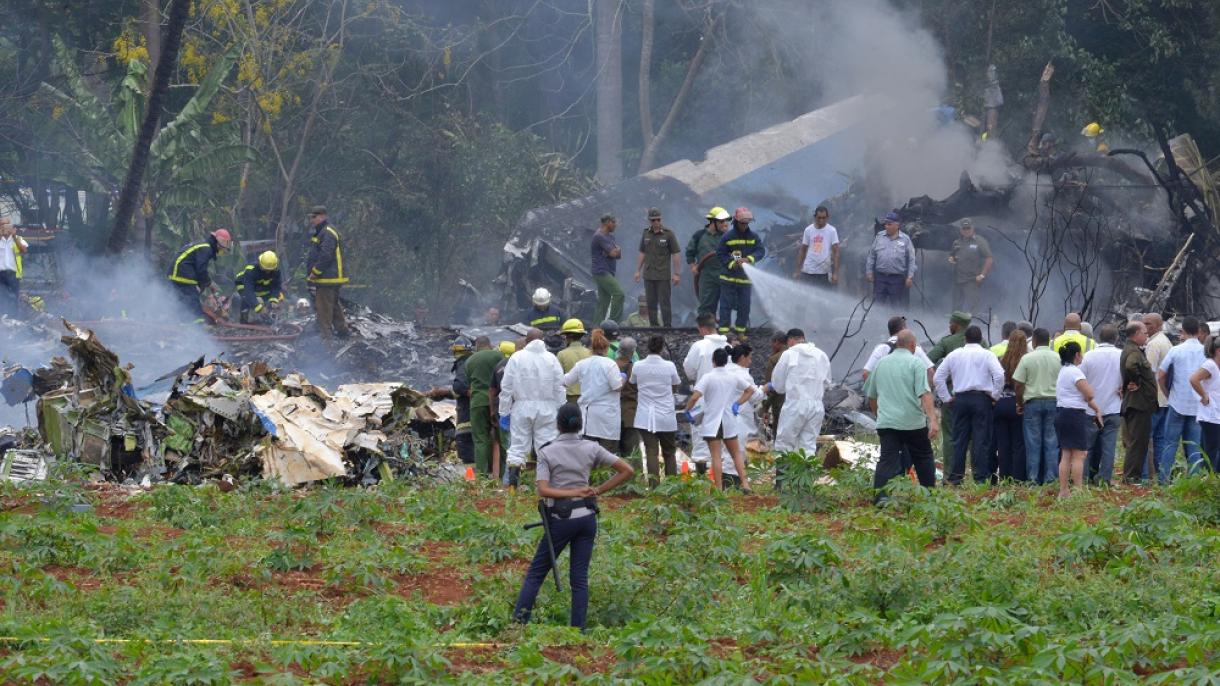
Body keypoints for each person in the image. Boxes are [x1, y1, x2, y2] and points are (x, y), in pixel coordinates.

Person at [511, 403, 635, 631]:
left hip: (561, 519)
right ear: (580, 424)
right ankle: (578, 631)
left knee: (536, 574)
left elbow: (543, 490)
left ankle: (518, 625)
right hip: (586, 518)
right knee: (579, 579)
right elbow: (627, 470)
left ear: (557, 425)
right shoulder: (591, 448)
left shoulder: (547, 451)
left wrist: (571, 492)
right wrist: (597, 490)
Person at [864, 330, 939, 501]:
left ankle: (880, 499)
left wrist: (879, 416)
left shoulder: (881, 363)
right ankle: (930, 495)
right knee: (923, 456)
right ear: (913, 345)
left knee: (887, 460)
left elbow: (872, 396)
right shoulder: (916, 363)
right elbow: (925, 394)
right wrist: (933, 420)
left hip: (887, 422)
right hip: (912, 422)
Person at [934, 325, 1004, 484]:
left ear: (965, 339)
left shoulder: (954, 355)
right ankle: (980, 478)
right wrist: (995, 396)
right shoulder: (987, 355)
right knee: (981, 440)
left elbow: (938, 377)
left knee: (959, 439)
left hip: (960, 399)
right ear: (981, 339)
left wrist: (946, 398)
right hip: (981, 400)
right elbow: (999, 375)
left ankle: (955, 478)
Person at [500, 328, 567, 488]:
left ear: (526, 341)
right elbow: (559, 386)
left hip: (521, 407)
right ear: (542, 340)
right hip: (547, 408)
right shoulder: (551, 358)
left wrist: (504, 411)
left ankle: (512, 487)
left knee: (517, 446)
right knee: (546, 446)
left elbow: (506, 387)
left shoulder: (517, 357)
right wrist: (560, 407)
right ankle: (547, 486)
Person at [684, 347, 756, 492]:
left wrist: (687, 410)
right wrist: (738, 403)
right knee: (736, 453)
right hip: (729, 420)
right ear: (726, 361)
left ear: (713, 361)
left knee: (716, 456)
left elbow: (695, 397)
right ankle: (745, 484)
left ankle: (718, 488)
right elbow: (750, 390)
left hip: (712, 422)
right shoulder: (733, 376)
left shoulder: (708, 377)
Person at [769, 328, 831, 457]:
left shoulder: (788, 354)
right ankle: (804, 477)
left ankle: (784, 476)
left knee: (784, 445)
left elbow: (777, 385)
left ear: (790, 340)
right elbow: (827, 382)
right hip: (816, 406)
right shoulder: (821, 355)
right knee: (808, 446)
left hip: (795, 405)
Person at [1157, 316, 1207, 478]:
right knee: (1194, 445)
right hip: (1197, 404)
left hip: (1177, 402)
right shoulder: (1206, 352)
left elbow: (1161, 375)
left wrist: (1167, 393)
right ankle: (1193, 482)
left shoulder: (1176, 350)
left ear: (1183, 330)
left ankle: (1163, 480)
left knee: (1170, 443)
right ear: (1199, 331)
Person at [562, 329, 624, 453]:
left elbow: (566, 381)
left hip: (588, 414)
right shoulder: (610, 364)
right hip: (607, 415)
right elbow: (617, 387)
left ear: (591, 348)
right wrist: (624, 378)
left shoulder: (582, 364)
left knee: (588, 453)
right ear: (606, 349)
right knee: (606, 454)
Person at [1055, 342, 1104, 497]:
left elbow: (1083, 397)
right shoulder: (1076, 372)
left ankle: (1063, 490)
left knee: (1066, 454)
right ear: (1076, 355)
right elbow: (1089, 394)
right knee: (1079, 455)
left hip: (1062, 413)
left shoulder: (1063, 371)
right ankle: (1078, 490)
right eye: (1081, 353)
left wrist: (1096, 409)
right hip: (1074, 416)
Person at [631, 334, 681, 485]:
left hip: (645, 416)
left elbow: (633, 383)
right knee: (669, 452)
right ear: (662, 348)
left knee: (651, 452)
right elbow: (675, 385)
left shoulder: (638, 365)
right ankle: (672, 487)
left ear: (647, 347)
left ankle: (654, 488)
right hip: (666, 416)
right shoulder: (669, 366)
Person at [682, 313, 728, 474]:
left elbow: (689, 369)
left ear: (702, 329)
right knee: (722, 439)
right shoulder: (728, 346)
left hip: (702, 397)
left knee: (701, 438)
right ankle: (720, 477)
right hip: (725, 399)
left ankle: (702, 476)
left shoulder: (699, 346)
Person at [1014, 328, 1061, 485]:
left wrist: (1020, 403)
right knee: (1052, 442)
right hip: (1054, 403)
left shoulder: (1027, 358)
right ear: (1049, 340)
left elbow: (1018, 384)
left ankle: (1033, 479)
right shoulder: (1058, 358)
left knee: (1033, 443)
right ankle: (1051, 479)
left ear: (1033, 341)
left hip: (1032, 403)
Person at [1079, 324, 1123, 484]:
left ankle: (1082, 479)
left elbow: (1079, 379)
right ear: (1116, 338)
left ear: (1099, 337)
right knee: (1109, 447)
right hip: (1113, 407)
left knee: (1087, 447)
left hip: (1090, 409)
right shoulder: (1122, 355)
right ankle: (1105, 478)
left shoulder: (1089, 356)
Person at [928, 311, 972, 464]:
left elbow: (928, 360)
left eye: (950, 324)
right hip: (976, 396)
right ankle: (977, 475)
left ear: (956, 325)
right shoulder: (982, 342)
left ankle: (951, 474)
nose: (949, 326)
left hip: (952, 395)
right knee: (974, 435)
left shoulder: (947, 342)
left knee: (950, 435)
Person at [428, 335, 477, 466]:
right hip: (478, 410)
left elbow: (459, 386)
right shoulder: (474, 362)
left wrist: (442, 392)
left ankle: (472, 476)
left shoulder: (463, 363)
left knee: (464, 441)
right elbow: (461, 391)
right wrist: (444, 393)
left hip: (468, 412)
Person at [716, 207, 765, 336]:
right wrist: (732, 264)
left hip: (745, 279)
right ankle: (723, 333)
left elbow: (761, 251)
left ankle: (740, 333)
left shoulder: (754, 237)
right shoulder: (728, 236)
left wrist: (749, 259)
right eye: (742, 223)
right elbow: (721, 253)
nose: (744, 226)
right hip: (728, 278)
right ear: (736, 222)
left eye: (747, 223)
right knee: (725, 307)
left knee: (744, 307)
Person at [304, 206, 350, 339]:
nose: (311, 220)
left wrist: (315, 272)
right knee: (334, 305)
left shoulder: (327, 232)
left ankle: (326, 343)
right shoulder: (323, 232)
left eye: (314, 217)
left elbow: (326, 255)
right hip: (330, 278)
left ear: (323, 216)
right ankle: (343, 333)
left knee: (323, 310)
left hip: (327, 278)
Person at [1121, 320, 1158, 484]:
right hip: (1138, 403)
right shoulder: (1134, 352)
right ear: (1136, 334)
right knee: (1138, 442)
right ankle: (1131, 477)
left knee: (1137, 441)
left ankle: (1132, 476)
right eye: (1144, 332)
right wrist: (1137, 381)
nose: (1146, 335)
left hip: (1138, 403)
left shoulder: (1132, 349)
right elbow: (1130, 366)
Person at [463, 336, 506, 477]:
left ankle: (482, 475)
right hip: (498, 402)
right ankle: (505, 475)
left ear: (476, 346)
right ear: (490, 344)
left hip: (478, 402)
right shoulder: (498, 355)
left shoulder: (469, 361)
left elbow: (469, 382)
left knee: (481, 439)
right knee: (503, 439)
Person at [167, 228, 232, 319]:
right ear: (218, 243)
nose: (223, 251)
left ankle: (180, 321)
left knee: (182, 300)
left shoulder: (204, 246)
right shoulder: (206, 249)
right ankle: (197, 325)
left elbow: (198, 269)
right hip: (182, 272)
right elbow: (201, 269)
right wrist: (209, 283)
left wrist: (202, 285)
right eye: (223, 248)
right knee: (192, 299)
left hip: (177, 271)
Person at [634, 208, 680, 326]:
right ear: (649, 220)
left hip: (663, 275)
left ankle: (667, 326)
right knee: (651, 302)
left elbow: (675, 253)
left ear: (661, 219)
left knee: (664, 302)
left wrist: (676, 273)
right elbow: (642, 252)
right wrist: (637, 270)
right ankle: (654, 326)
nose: (656, 222)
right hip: (649, 274)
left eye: (658, 219)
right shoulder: (646, 233)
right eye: (653, 220)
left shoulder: (668, 234)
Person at [994, 329, 1028, 481]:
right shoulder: (1026, 360)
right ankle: (1018, 477)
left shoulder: (1001, 360)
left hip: (1001, 404)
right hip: (1017, 404)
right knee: (1018, 444)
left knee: (1003, 444)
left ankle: (1004, 475)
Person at [1143, 312, 1173, 475]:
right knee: (1160, 439)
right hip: (1164, 398)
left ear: (1159, 325)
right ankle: (1162, 476)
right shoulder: (1166, 341)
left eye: (1149, 324)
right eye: (1144, 324)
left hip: (1154, 398)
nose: (1145, 327)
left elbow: (1149, 371)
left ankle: (1145, 477)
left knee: (1145, 438)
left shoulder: (1154, 344)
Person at [686, 207, 730, 317]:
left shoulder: (728, 237)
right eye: (721, 221)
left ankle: (725, 331)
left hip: (725, 274)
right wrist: (693, 266)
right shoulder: (699, 236)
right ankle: (707, 331)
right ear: (713, 222)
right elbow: (689, 252)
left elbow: (737, 253)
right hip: (706, 276)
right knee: (706, 306)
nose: (725, 224)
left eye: (726, 221)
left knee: (727, 305)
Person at [865, 212, 916, 307]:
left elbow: (911, 260)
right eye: (885, 224)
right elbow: (871, 256)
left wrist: (910, 277)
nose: (886, 226)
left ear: (897, 225)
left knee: (897, 307)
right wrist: (869, 272)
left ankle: (896, 322)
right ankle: (876, 321)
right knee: (877, 305)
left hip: (897, 279)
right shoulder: (879, 236)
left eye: (889, 224)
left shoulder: (905, 239)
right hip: (880, 278)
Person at [863, 315, 934, 382]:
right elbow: (930, 372)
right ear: (903, 329)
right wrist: (924, 392)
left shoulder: (881, 349)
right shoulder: (915, 348)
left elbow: (866, 373)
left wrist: (876, 393)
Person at [489, 340, 520, 481]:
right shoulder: (520, 363)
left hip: (504, 410)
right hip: (521, 408)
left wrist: (492, 410)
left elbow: (493, 391)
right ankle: (517, 477)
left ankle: (506, 478)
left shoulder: (498, 366)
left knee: (506, 444)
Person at [1189, 335, 1220, 473]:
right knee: (1211, 449)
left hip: (1216, 413)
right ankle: (1209, 478)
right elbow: (1194, 379)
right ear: (1218, 350)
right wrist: (1204, 396)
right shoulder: (1210, 365)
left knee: (1211, 447)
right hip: (1210, 414)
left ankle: (1211, 477)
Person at [947, 219, 992, 312]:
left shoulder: (979, 241)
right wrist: (951, 259)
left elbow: (989, 258)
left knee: (973, 307)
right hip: (958, 280)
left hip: (972, 280)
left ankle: (974, 325)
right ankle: (956, 326)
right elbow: (952, 256)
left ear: (973, 228)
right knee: (956, 308)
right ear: (961, 230)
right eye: (964, 228)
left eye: (968, 228)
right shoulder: (957, 242)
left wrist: (982, 275)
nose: (966, 230)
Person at [792, 206, 839, 287]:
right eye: (819, 218)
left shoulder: (832, 231)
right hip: (808, 270)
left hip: (824, 272)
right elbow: (802, 250)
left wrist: (835, 273)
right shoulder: (808, 230)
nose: (821, 220)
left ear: (827, 217)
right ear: (815, 217)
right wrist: (797, 271)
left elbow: (836, 252)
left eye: (824, 218)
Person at [234, 251, 284, 324]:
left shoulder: (276, 271)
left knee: (277, 298)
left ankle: (267, 318)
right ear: (260, 263)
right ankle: (243, 319)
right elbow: (248, 291)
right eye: (265, 269)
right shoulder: (251, 271)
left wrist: (273, 300)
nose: (267, 272)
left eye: (270, 270)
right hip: (243, 283)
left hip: (260, 285)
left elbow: (276, 287)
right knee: (248, 299)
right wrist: (258, 308)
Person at [591, 214, 624, 323]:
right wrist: (615, 251)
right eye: (614, 222)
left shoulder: (610, 237)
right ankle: (614, 322)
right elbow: (614, 253)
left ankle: (596, 328)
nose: (616, 225)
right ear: (608, 222)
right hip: (601, 271)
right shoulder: (599, 236)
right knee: (619, 294)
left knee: (603, 302)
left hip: (609, 271)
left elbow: (618, 255)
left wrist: (615, 252)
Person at [615, 337, 640, 458]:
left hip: (613, 412)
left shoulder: (611, 366)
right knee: (632, 452)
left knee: (613, 451)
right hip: (630, 413)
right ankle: (635, 476)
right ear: (633, 351)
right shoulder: (636, 368)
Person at [557, 318, 591, 403]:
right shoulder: (590, 353)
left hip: (569, 398)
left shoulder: (562, 354)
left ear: (568, 337)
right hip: (588, 397)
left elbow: (558, 378)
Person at [0, 218, 29, 318]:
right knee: (1, 297)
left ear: (12, 227)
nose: (4, 228)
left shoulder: (18, 238)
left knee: (13, 298)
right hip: (0, 274)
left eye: (7, 226)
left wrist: (14, 236)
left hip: (13, 275)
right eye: (2, 226)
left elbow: (24, 250)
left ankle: (13, 319)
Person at [762, 331, 788, 438]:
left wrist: (765, 406)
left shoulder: (775, 359)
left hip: (779, 400)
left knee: (779, 428)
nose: (771, 346)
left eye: (772, 343)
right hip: (797, 400)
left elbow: (771, 386)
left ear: (777, 342)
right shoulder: (796, 354)